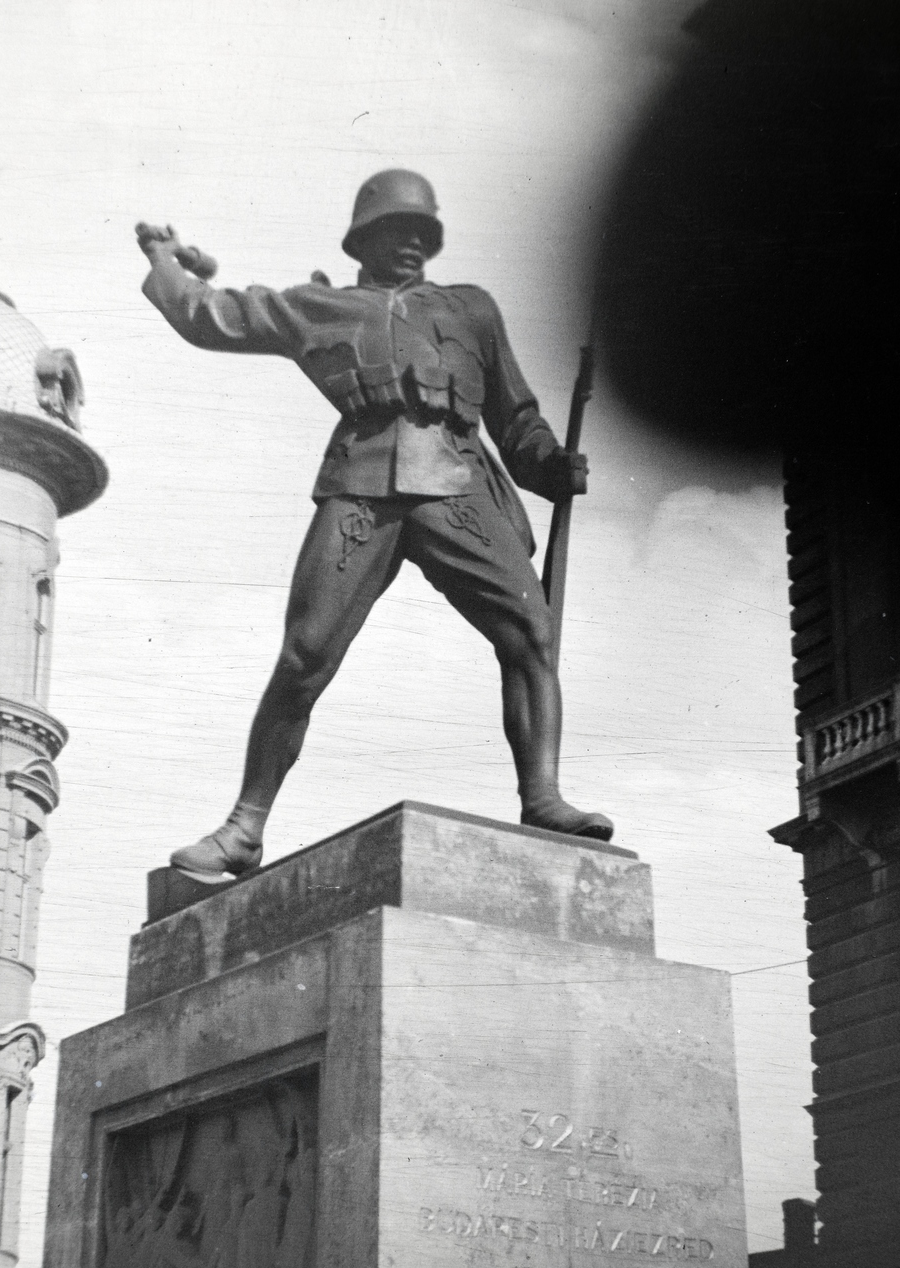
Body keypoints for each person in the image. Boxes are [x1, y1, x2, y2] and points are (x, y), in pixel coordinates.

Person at [136, 169, 613, 880]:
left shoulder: (472, 309)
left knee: (530, 632)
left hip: (455, 486)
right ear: (365, 237)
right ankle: (243, 828)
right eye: (399, 232)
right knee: (304, 657)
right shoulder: (317, 306)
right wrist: (165, 261)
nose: (413, 246)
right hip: (361, 487)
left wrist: (548, 464)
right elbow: (208, 315)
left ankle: (542, 796)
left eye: (424, 234)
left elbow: (515, 418)